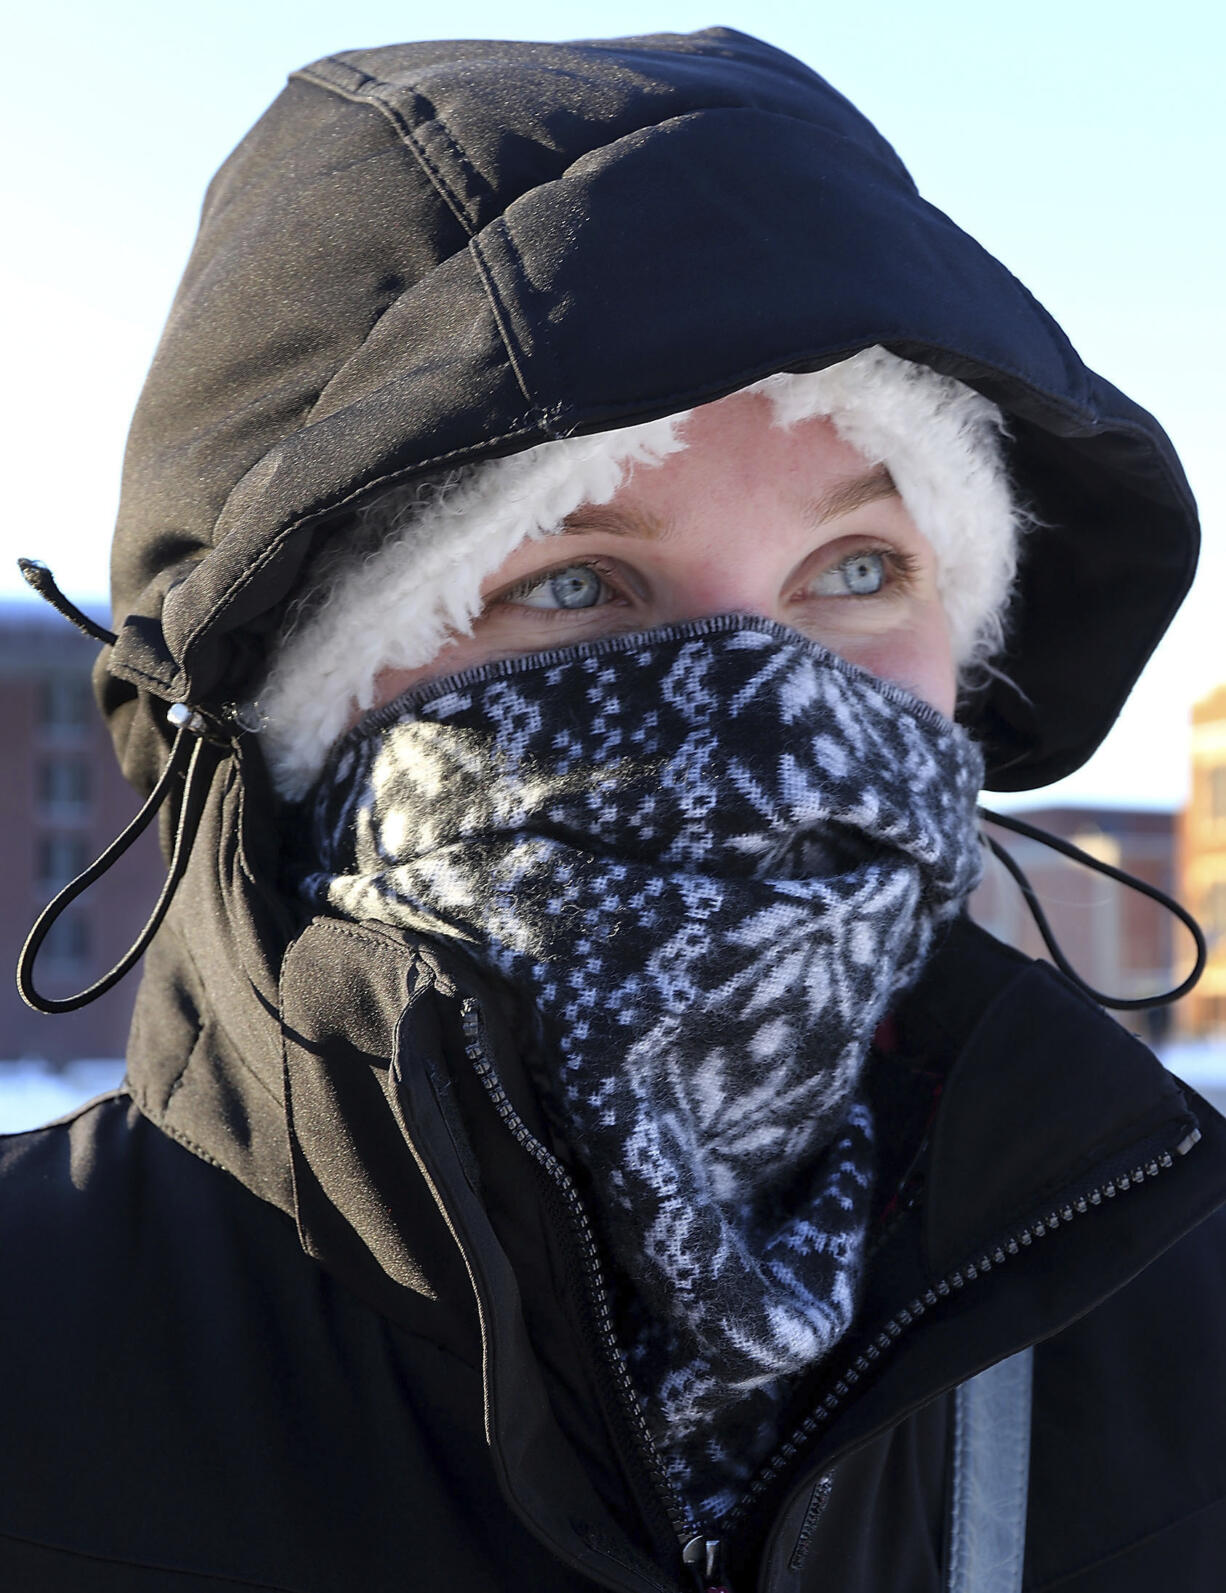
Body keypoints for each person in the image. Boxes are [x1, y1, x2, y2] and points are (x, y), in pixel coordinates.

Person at [3, 27, 1224, 1593]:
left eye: (858, 571)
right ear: (297, 719)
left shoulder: (1177, 1302)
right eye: (571, 582)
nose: (771, 700)